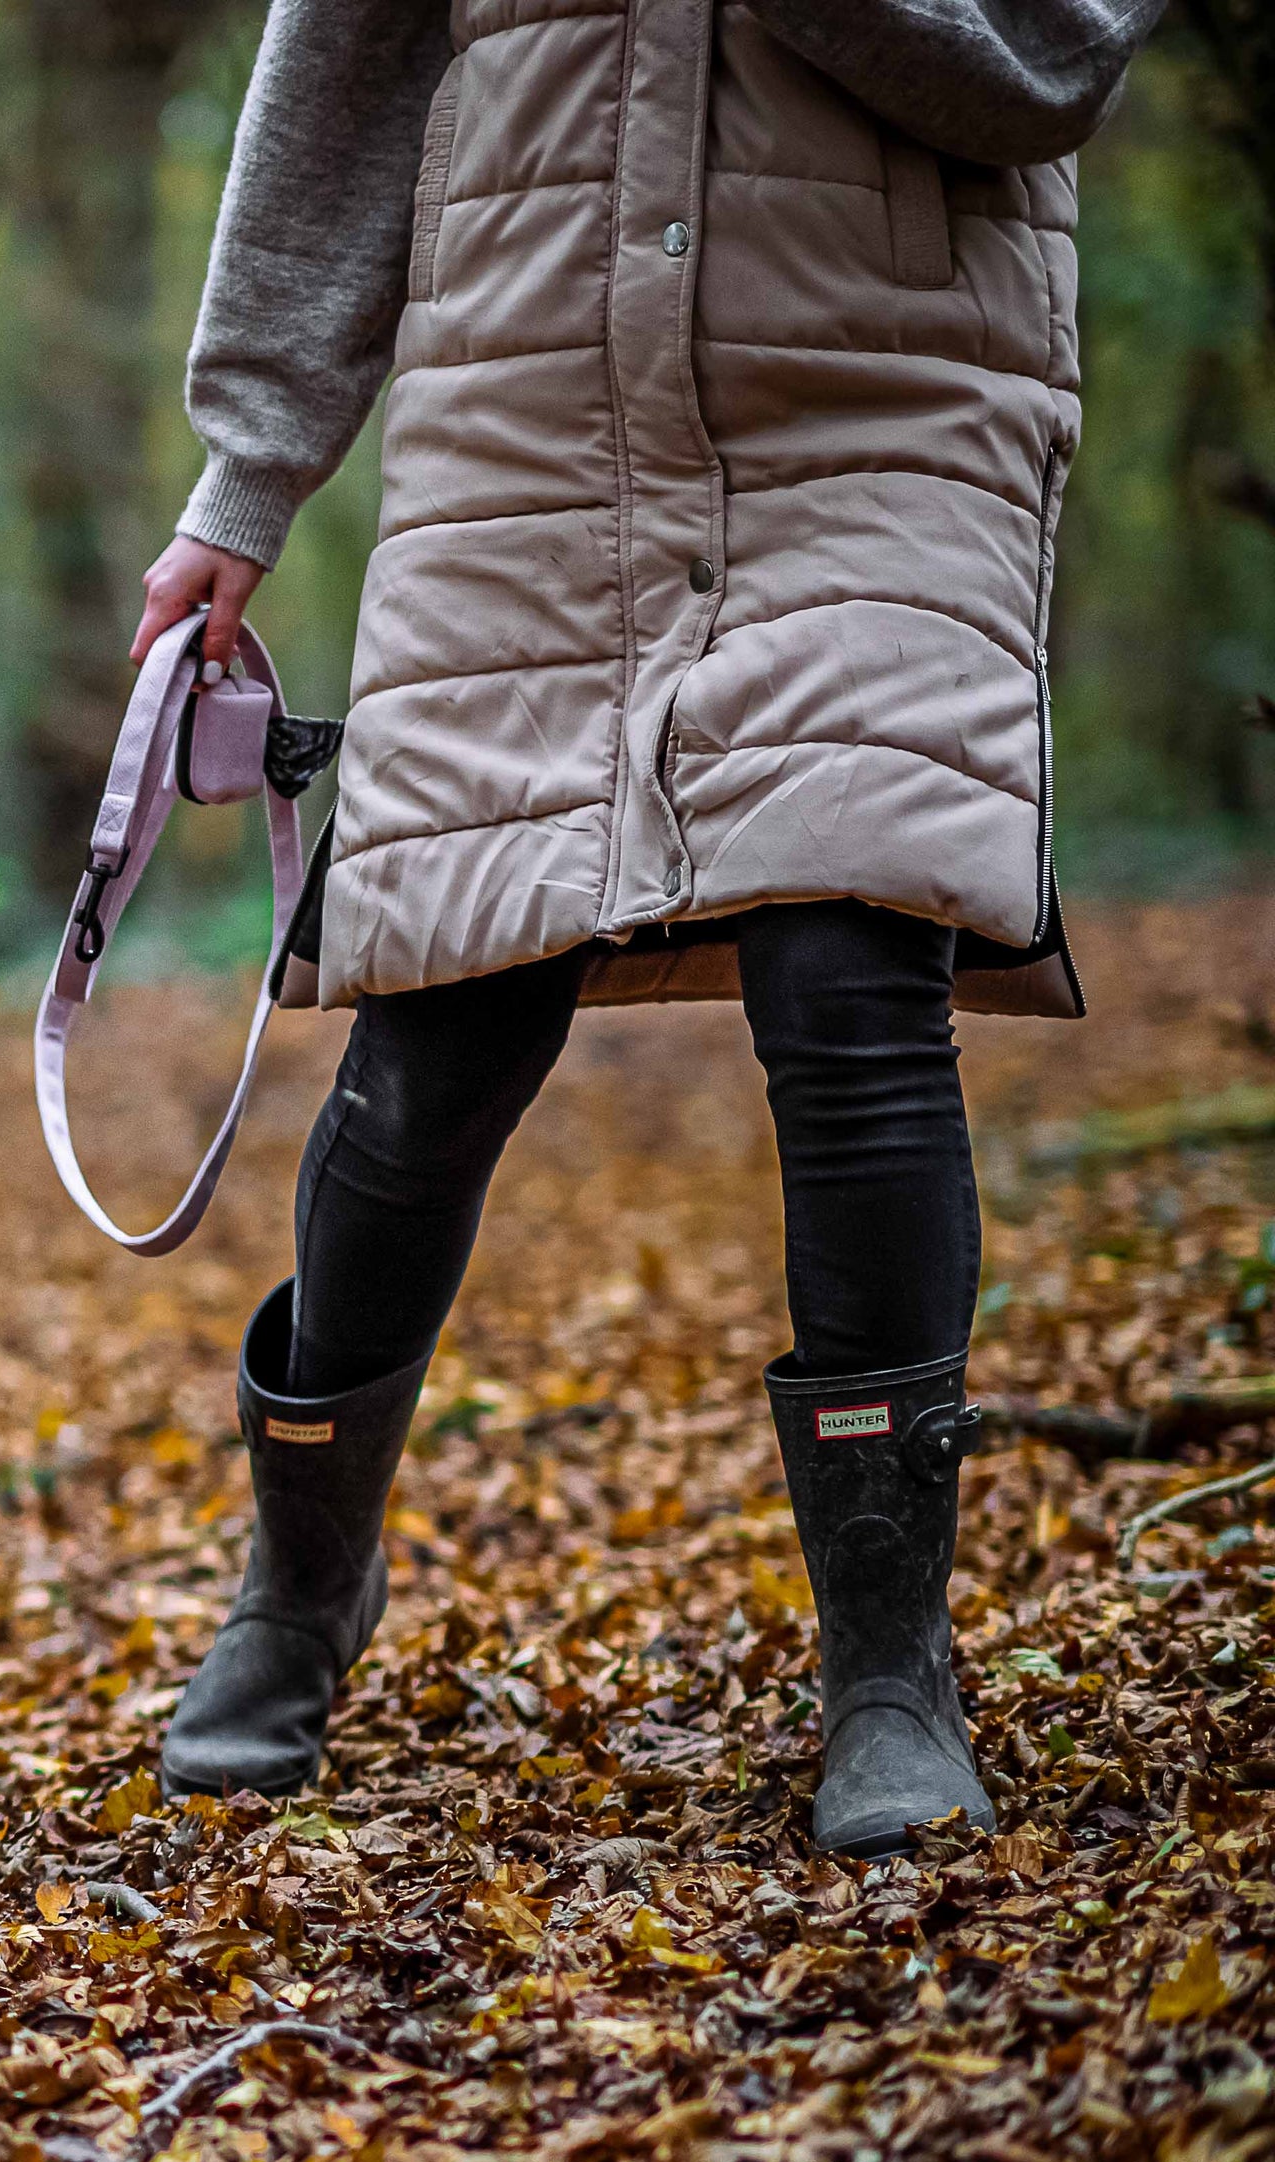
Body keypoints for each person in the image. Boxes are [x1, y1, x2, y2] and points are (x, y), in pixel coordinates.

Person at [140, 0, 1171, 1856]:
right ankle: (300, 1590)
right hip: (526, 418)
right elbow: (346, 74)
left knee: (854, 969)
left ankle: (888, 1665)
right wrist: (250, 471)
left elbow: (1047, 61)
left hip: (885, 402)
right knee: (437, 1029)